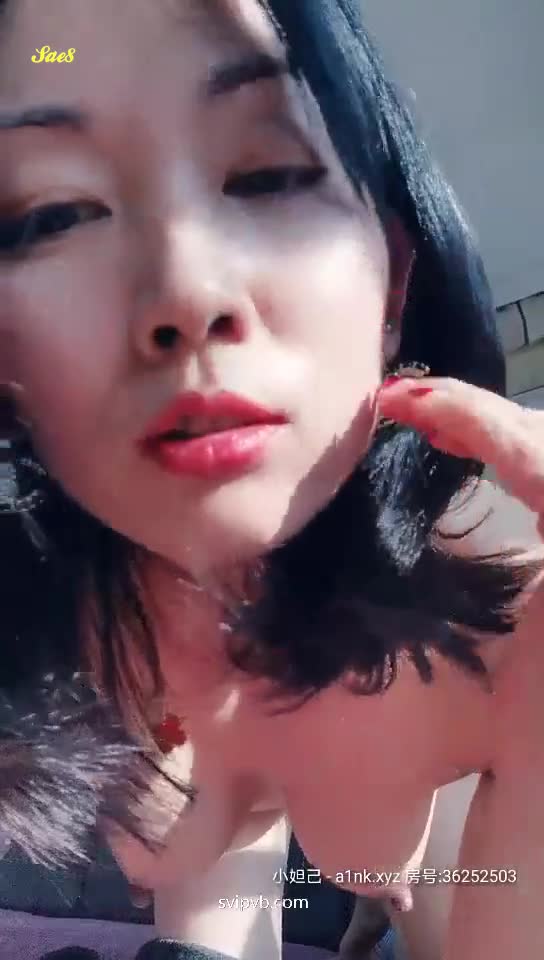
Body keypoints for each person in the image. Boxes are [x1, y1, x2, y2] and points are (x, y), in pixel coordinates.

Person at [0, 1, 543, 958]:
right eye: (56, 213)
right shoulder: (45, 618)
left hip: (444, 826)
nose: (187, 290)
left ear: (393, 280)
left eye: (266, 175)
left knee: (424, 891)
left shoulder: (505, 624)